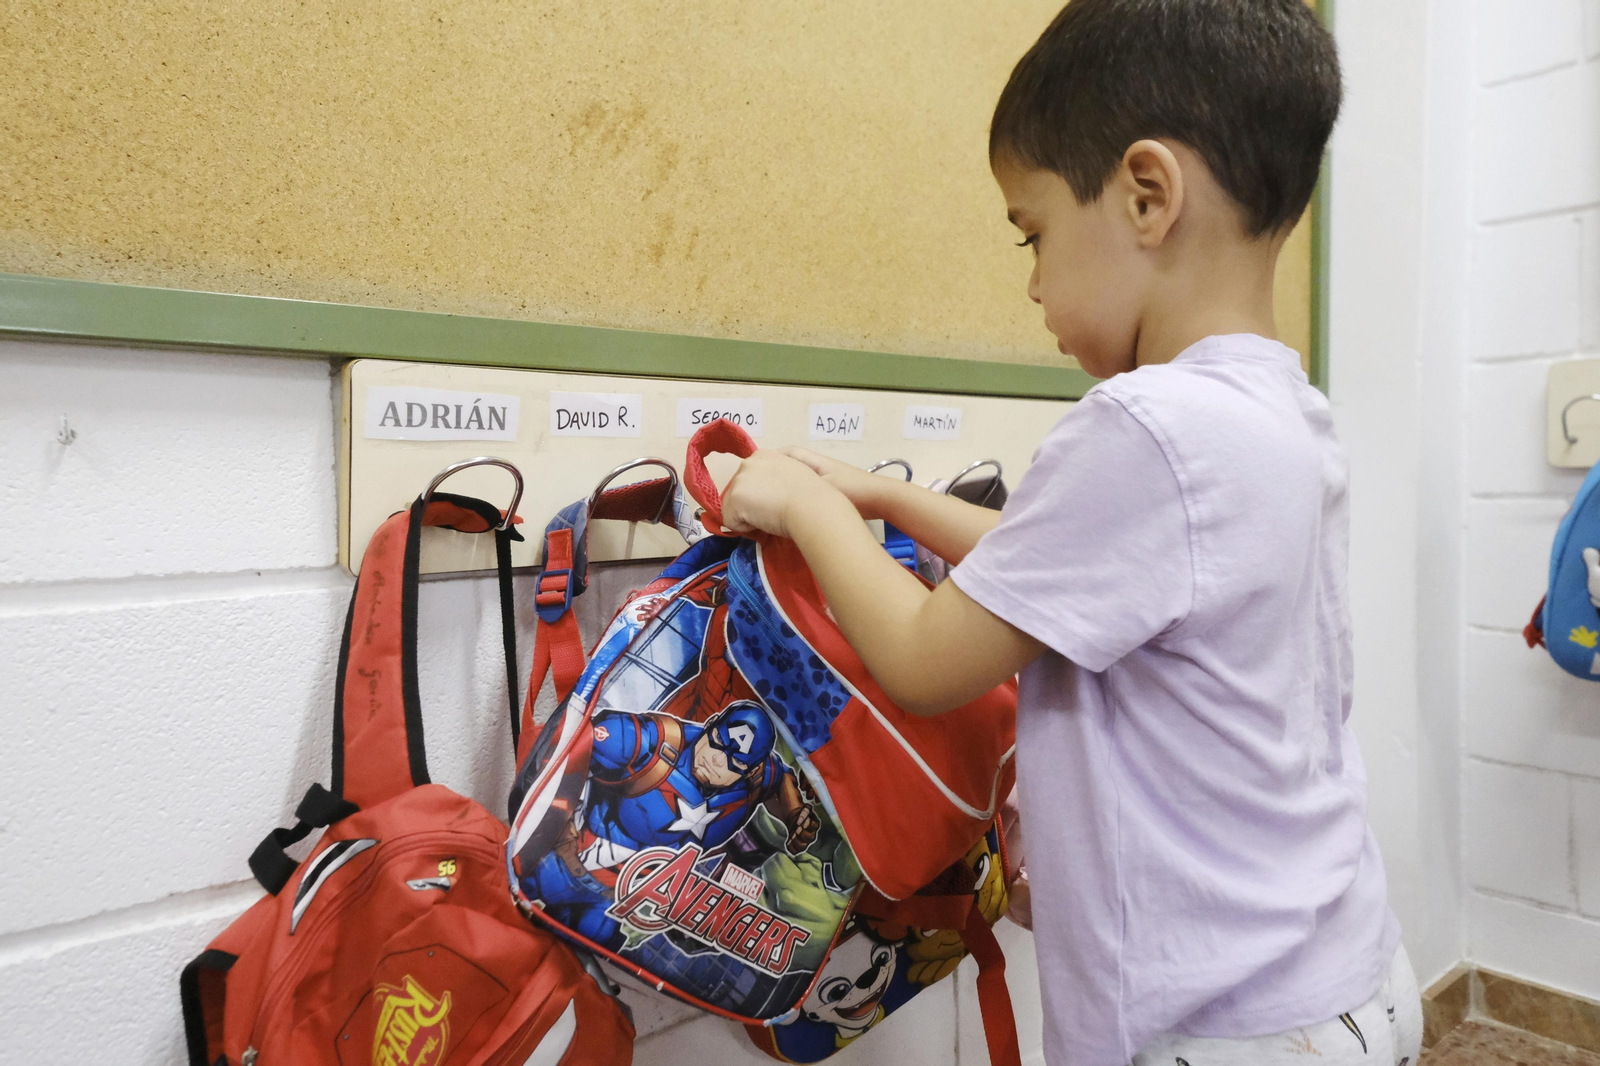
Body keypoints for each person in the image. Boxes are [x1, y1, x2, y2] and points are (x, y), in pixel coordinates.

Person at [719, 2, 1422, 1064]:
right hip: (1344, 982)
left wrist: (806, 508)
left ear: (1147, 194)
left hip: (1218, 1030)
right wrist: (882, 498)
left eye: (1034, 233)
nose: (1035, 283)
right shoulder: (1279, 412)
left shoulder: (1144, 426)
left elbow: (924, 659)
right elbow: (1050, 567)